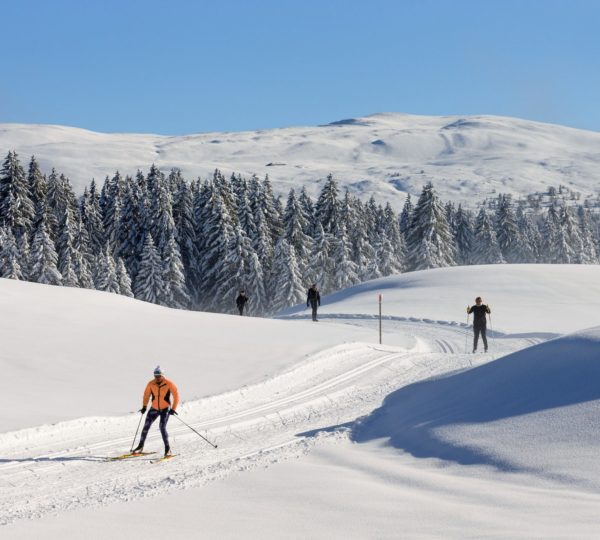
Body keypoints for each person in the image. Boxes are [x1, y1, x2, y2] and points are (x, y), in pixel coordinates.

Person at [132, 366, 179, 457]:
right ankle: (140, 446)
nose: (157, 378)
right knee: (146, 426)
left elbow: (176, 396)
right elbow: (146, 395)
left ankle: (167, 448)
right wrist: (144, 406)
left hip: (165, 409)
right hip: (154, 408)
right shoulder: (151, 384)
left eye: (158, 376)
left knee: (162, 427)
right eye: (155, 376)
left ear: (162, 375)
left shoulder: (169, 384)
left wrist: (173, 409)